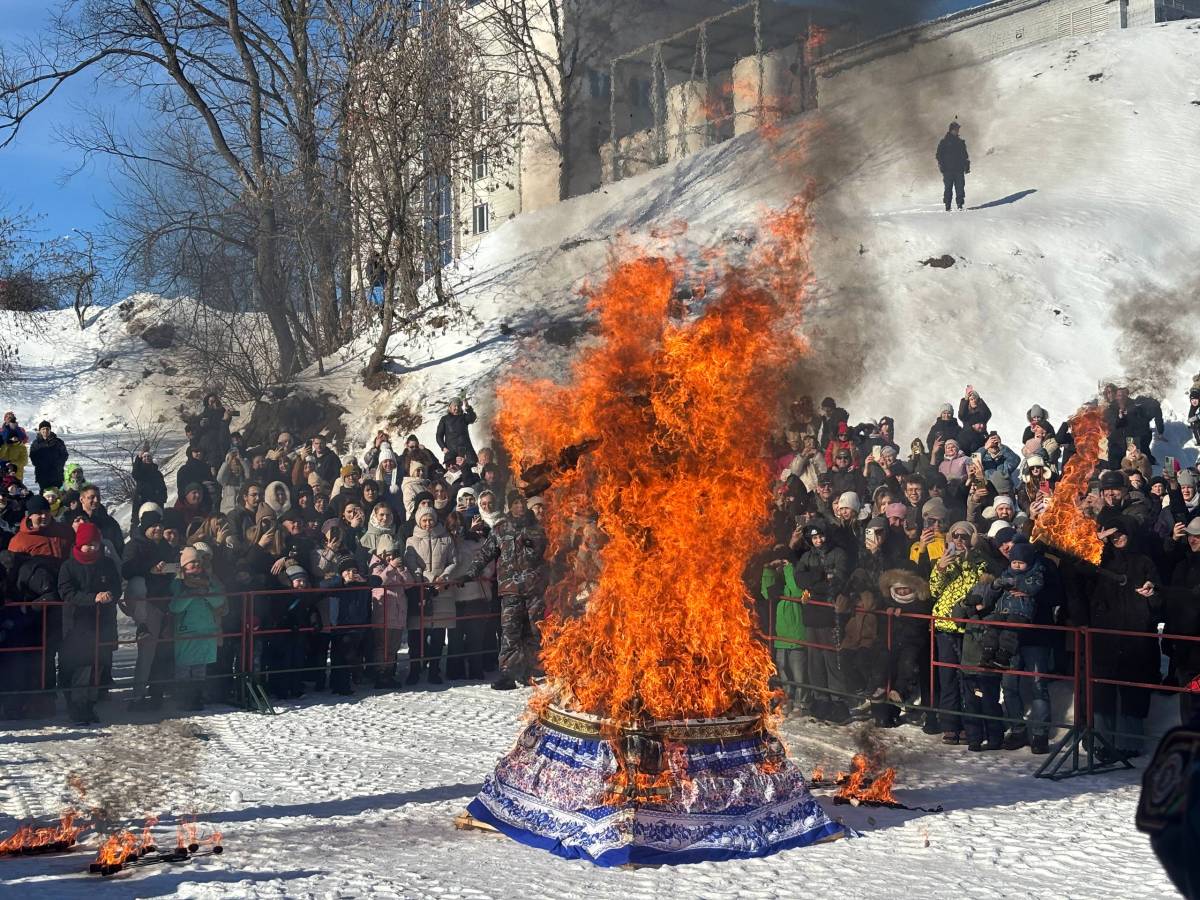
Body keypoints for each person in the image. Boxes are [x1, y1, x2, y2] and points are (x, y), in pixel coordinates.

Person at [462, 492, 547, 691]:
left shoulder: (537, 529)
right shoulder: (501, 529)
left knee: (533, 631)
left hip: (534, 589)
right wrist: (470, 573)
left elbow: (549, 555)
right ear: (510, 506)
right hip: (510, 590)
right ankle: (508, 674)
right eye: (515, 503)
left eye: (522, 503)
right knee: (510, 632)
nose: (519, 507)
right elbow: (486, 553)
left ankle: (528, 670)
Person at [929, 521, 989, 744]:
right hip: (945, 627)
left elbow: (980, 587)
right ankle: (949, 725)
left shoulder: (979, 562)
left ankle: (970, 725)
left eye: (964, 537)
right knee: (948, 678)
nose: (959, 541)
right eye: (955, 536)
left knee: (969, 679)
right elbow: (934, 590)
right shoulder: (945, 561)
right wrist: (941, 567)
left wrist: (969, 559)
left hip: (968, 629)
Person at [57, 522, 122, 725]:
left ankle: (90, 703)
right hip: (77, 623)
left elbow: (116, 586)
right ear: (79, 544)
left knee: (98, 665)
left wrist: (110, 595)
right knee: (80, 666)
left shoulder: (107, 563)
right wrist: (92, 598)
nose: (91, 548)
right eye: (87, 544)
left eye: (94, 544)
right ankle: (77, 705)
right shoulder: (69, 566)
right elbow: (66, 592)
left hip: (103, 622)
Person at [121, 510, 178, 709]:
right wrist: (150, 568)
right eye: (154, 526)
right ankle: (137, 697)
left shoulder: (165, 546)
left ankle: (157, 694)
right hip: (145, 604)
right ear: (145, 528)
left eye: (160, 526)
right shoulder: (134, 546)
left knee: (162, 653)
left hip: (164, 602)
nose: (158, 529)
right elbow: (127, 570)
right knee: (147, 654)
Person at [404, 506, 457, 685]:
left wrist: (444, 577)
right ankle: (414, 669)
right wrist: (426, 578)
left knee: (438, 635)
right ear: (419, 521)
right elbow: (411, 563)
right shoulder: (411, 541)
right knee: (416, 635)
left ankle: (434, 670)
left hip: (442, 592)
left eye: (431, 520)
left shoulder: (446, 539)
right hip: (420, 591)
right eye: (424, 520)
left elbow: (453, 561)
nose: (428, 523)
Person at [168, 546, 225, 711]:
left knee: (201, 667)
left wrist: (206, 591)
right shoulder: (178, 583)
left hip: (206, 629)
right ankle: (184, 699)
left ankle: (198, 698)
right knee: (184, 668)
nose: (195, 567)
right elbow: (175, 607)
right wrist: (191, 593)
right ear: (184, 566)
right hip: (186, 630)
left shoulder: (210, 581)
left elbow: (219, 601)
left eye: (197, 563)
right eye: (191, 563)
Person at [935, 121, 969, 211]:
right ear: (951, 130)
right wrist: (941, 165)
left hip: (959, 169)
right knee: (948, 189)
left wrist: (966, 165)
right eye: (956, 129)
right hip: (948, 170)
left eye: (958, 129)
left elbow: (965, 156)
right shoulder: (944, 142)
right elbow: (938, 155)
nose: (957, 131)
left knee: (960, 188)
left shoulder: (961, 142)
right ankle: (947, 206)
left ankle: (960, 205)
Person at [436, 397, 479, 466]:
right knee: (454, 473)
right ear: (450, 407)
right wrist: (443, 447)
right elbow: (439, 436)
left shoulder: (464, 417)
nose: (456, 408)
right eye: (454, 406)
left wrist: (468, 407)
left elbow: (472, 418)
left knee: (471, 471)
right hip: (452, 451)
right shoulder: (445, 419)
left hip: (466, 450)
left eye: (459, 406)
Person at [28, 420, 68, 493]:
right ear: (40, 430)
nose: (45, 430)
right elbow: (33, 456)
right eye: (43, 429)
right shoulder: (36, 443)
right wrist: (41, 464)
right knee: (44, 494)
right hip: (42, 474)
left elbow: (64, 455)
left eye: (47, 428)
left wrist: (58, 465)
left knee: (58, 494)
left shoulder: (58, 442)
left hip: (57, 473)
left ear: (50, 430)